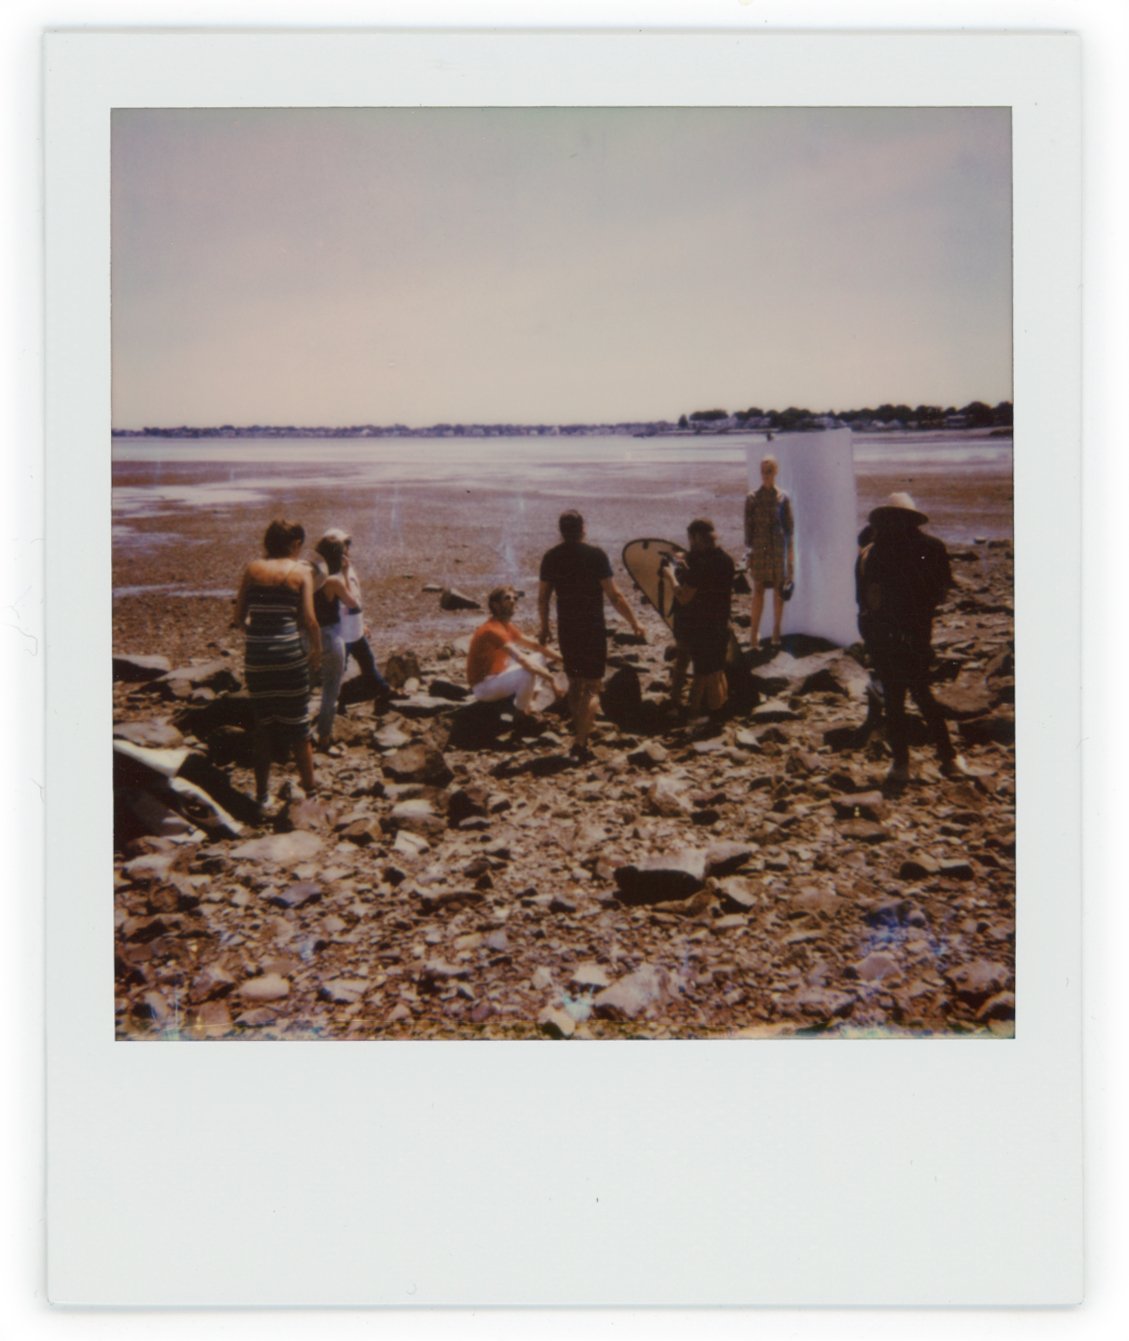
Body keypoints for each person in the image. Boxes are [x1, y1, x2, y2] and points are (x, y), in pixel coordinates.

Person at [855, 492, 957, 786]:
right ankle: (948, 758)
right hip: (917, 636)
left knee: (896, 702)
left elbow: (864, 602)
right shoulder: (932, 548)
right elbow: (940, 592)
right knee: (923, 695)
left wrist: (871, 641)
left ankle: (901, 765)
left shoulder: (871, 554)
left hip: (885, 638)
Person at [537, 510, 646, 759]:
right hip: (592, 627)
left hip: (568, 627)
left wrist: (544, 627)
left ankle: (580, 733)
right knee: (593, 686)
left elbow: (543, 597)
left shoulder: (551, 557)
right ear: (583, 528)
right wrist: (634, 621)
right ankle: (581, 741)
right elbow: (614, 595)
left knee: (575, 684)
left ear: (561, 530)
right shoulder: (596, 555)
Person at [233, 518, 321, 816]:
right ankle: (310, 792)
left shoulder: (252, 569)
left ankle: (261, 796)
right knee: (298, 727)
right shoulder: (302, 571)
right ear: (295, 544)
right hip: (289, 654)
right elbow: (309, 619)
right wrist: (317, 651)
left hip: (257, 657)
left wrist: (260, 633)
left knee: (263, 727)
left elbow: (239, 617)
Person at [663, 518, 736, 720]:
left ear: (695, 537)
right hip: (720, 624)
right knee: (717, 672)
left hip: (702, 628)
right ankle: (719, 713)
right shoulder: (726, 560)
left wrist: (670, 575)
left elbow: (684, 596)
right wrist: (683, 557)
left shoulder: (700, 566)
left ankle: (697, 718)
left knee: (702, 675)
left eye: (690, 539)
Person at [320, 527, 394, 713]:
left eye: (348, 544)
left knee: (369, 666)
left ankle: (384, 692)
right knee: (338, 673)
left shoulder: (347, 568)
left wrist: (363, 623)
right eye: (344, 545)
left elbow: (356, 600)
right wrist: (344, 572)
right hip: (341, 633)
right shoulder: (330, 574)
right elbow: (350, 601)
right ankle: (336, 705)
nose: (347, 549)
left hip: (355, 630)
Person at [466, 586, 562, 717]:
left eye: (515, 598)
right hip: (483, 687)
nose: (513, 601)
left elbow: (535, 646)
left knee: (539, 656)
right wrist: (551, 680)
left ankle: (531, 700)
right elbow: (522, 660)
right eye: (507, 598)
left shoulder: (506, 625)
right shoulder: (492, 630)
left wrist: (564, 659)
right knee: (527, 670)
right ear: (495, 605)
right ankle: (521, 712)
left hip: (499, 674)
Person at [311, 534, 362, 753]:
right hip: (330, 635)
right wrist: (345, 572)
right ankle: (324, 738)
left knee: (305, 688)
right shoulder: (334, 580)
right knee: (331, 691)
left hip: (307, 634)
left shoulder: (309, 575)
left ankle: (299, 735)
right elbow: (353, 604)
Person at [744, 454, 795, 649]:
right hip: (759, 548)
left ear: (775, 472)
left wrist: (790, 557)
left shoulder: (783, 497)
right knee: (757, 591)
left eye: (769, 471)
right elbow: (748, 529)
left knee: (778, 590)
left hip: (778, 549)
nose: (765, 475)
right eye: (763, 471)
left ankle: (776, 630)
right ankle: (753, 633)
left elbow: (790, 528)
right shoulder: (752, 498)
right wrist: (748, 554)